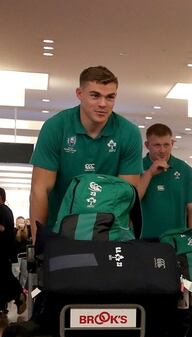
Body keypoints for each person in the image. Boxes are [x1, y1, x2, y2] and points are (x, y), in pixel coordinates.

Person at [30, 66, 142, 236]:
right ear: (79, 93)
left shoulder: (129, 133)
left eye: (110, 97)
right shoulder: (56, 127)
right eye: (95, 95)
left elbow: (125, 196)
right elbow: (40, 190)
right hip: (61, 229)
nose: (103, 104)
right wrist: (39, 242)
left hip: (108, 233)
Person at [138, 123, 192, 238]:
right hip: (142, 240)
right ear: (147, 145)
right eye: (157, 145)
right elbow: (130, 201)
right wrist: (149, 173)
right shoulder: (137, 168)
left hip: (176, 242)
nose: (162, 150)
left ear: (172, 143)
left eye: (166, 145)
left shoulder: (185, 170)